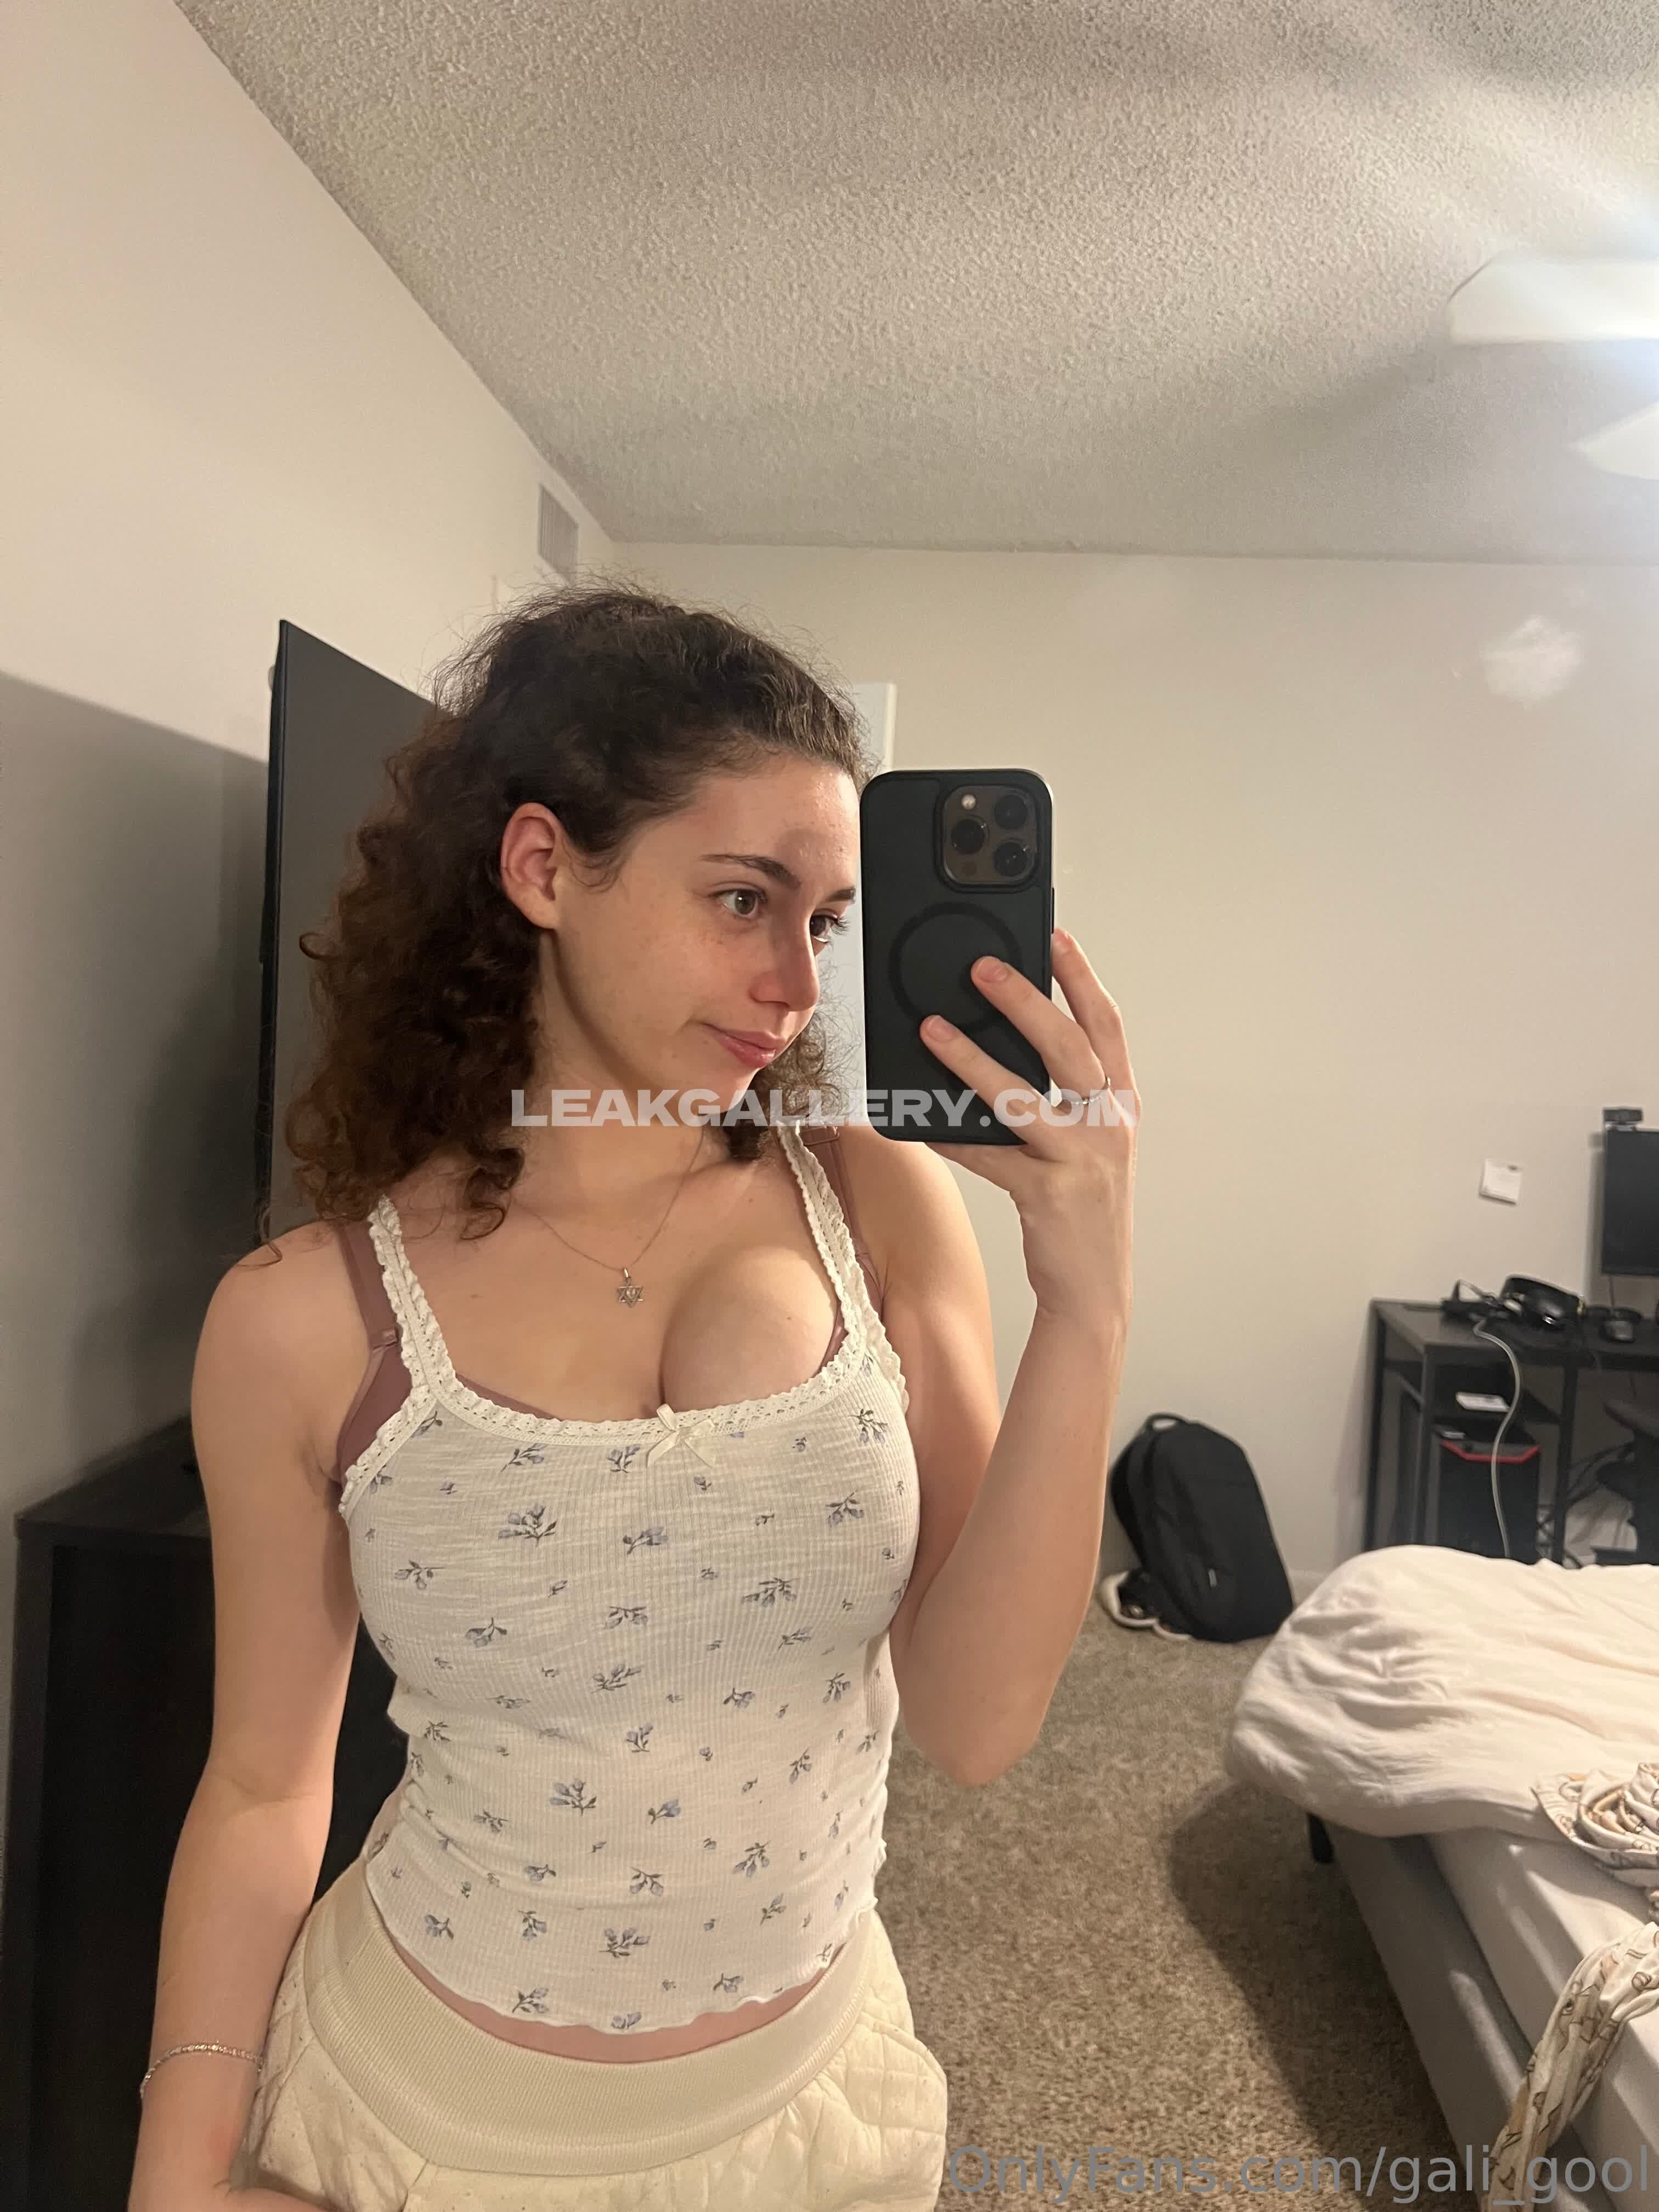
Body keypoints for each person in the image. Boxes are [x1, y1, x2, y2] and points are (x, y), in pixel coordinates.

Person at [127, 582, 1138, 2212]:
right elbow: (260, 1786)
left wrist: (1085, 1306)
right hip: (425, 2131)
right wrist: (174, 2181)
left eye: (823, 922)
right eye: (743, 899)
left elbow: (976, 1724)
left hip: (811, 2112)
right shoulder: (305, 1318)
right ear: (543, 867)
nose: (796, 984)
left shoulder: (876, 1202)